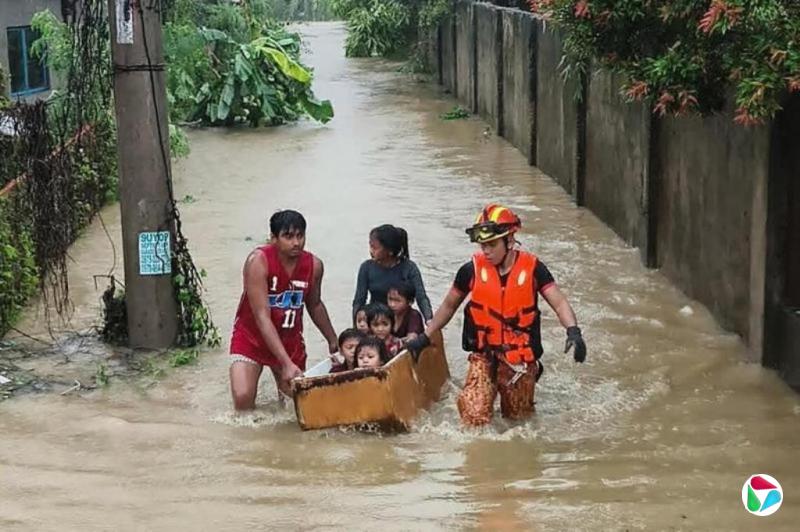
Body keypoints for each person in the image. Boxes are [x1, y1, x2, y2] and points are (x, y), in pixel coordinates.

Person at [406, 204, 587, 427]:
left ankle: (532, 373)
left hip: (519, 357)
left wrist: (573, 331)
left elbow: (558, 302)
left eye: (492, 245)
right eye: (483, 245)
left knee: (518, 421)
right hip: (484, 354)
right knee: (473, 415)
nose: (486, 251)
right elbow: (448, 307)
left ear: (509, 241)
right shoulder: (470, 271)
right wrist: (425, 337)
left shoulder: (534, 269)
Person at [229, 210, 338, 411]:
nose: (296, 242)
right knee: (243, 400)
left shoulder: (314, 266)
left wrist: (333, 339)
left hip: (290, 340)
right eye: (288, 236)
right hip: (251, 338)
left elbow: (315, 305)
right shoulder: (258, 262)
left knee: (297, 407)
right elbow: (262, 317)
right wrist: (285, 363)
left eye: (300, 236)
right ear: (273, 239)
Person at [352, 224, 433, 323]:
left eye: (375, 248)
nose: (371, 251)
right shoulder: (367, 267)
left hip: (402, 320)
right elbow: (359, 301)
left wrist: (429, 319)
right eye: (370, 246)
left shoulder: (409, 268)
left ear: (389, 251)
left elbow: (421, 297)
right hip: (377, 321)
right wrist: (357, 325)